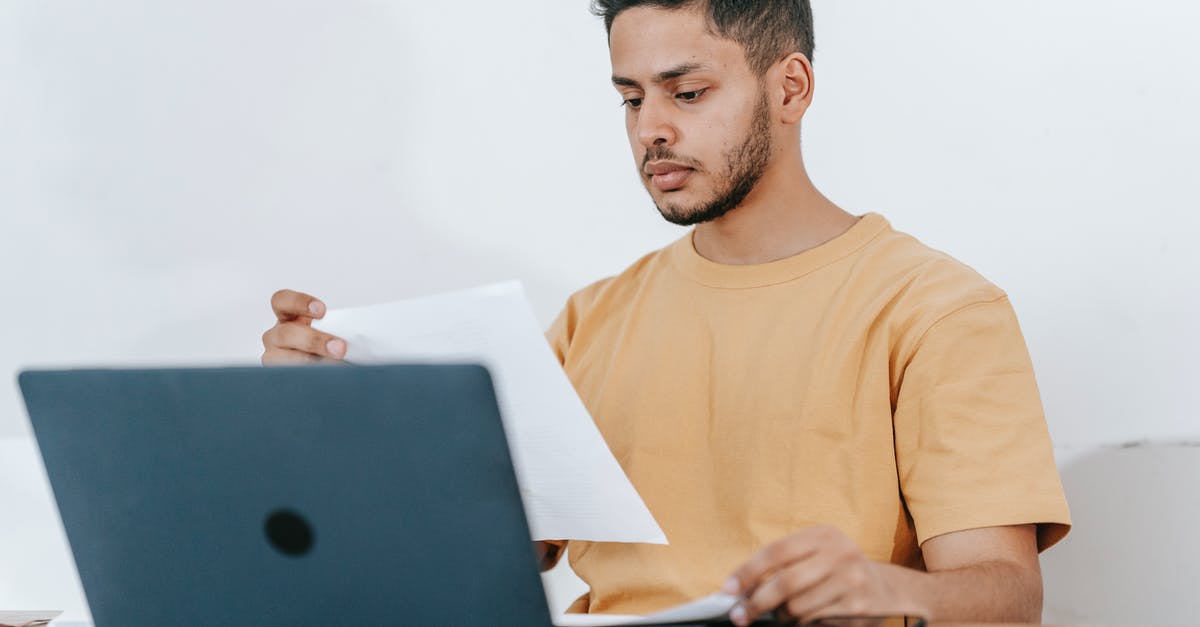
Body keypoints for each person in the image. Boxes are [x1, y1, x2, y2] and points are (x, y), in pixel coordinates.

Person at [261, 1, 1071, 624]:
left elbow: (1007, 594)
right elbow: (466, 553)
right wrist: (329, 420)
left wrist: (880, 585)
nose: (652, 130)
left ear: (791, 87)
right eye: (630, 98)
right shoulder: (593, 319)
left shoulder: (936, 310)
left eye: (687, 92)